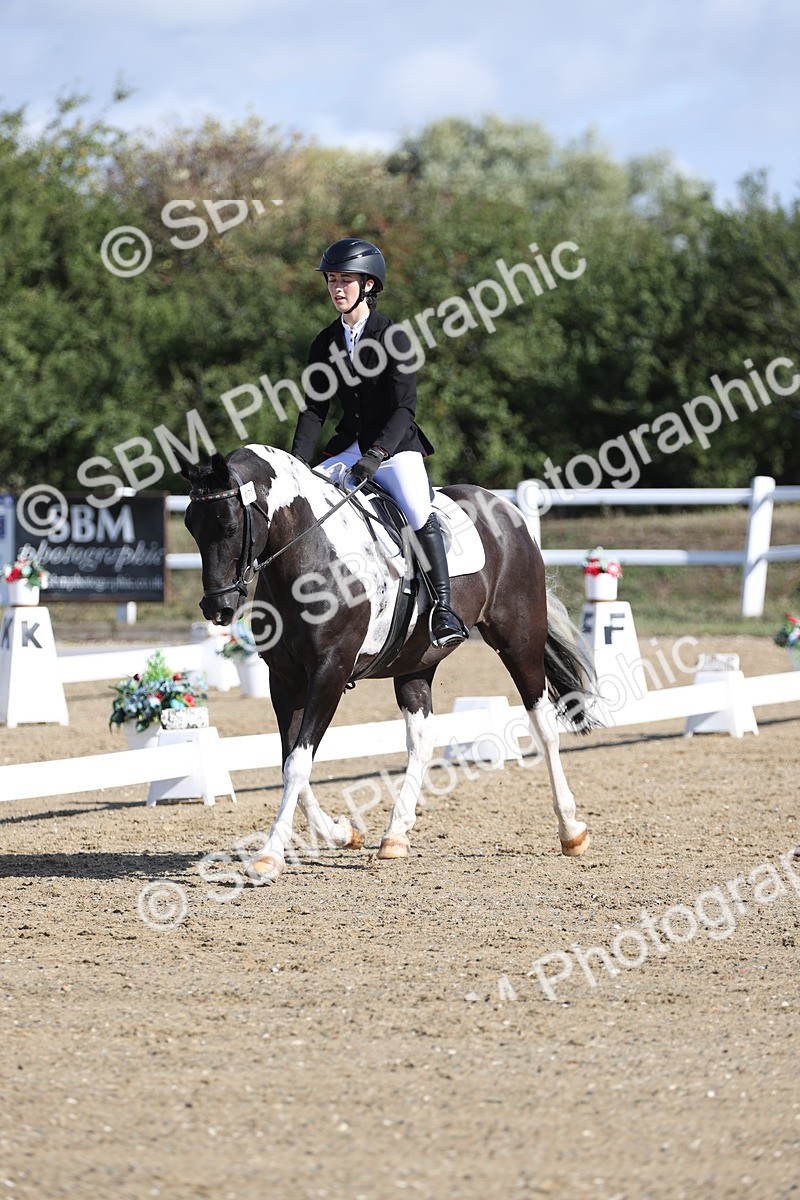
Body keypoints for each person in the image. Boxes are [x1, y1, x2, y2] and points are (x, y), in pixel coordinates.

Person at [291, 237, 469, 648]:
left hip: (395, 446)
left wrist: (377, 454)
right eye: (332, 280)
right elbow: (314, 410)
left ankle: (443, 607)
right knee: (304, 507)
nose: (337, 288)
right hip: (349, 445)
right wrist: (297, 466)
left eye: (346, 281)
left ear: (368, 285)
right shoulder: (325, 342)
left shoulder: (394, 337)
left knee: (417, 508)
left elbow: (404, 407)